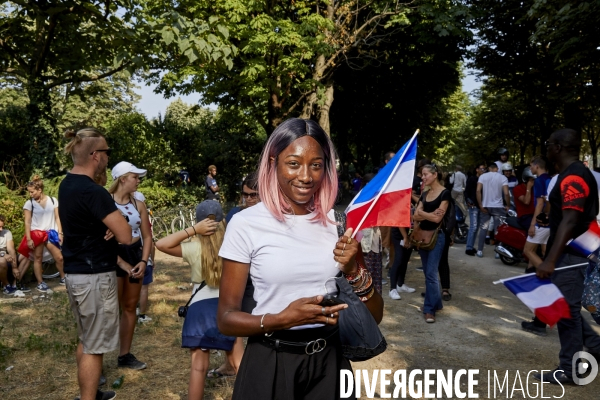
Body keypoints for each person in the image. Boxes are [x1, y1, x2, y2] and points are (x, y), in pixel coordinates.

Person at [217, 118, 383, 399]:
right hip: (270, 361)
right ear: (273, 162)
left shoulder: (339, 224)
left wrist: (354, 269)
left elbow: (375, 316)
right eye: (293, 163)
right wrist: (280, 319)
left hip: (330, 365)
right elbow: (226, 319)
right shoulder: (246, 224)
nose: (306, 176)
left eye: (316, 165)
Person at [59, 127, 133, 400]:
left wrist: (109, 225)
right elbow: (126, 236)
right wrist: (116, 225)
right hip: (94, 277)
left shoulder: (66, 184)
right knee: (94, 346)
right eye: (106, 152)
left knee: (87, 338)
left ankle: (89, 394)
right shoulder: (94, 192)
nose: (108, 157)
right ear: (94, 155)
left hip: (76, 273)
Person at [156, 201, 244, 399]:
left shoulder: (193, 247)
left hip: (199, 309)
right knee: (240, 364)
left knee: (198, 368)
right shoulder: (234, 245)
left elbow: (161, 244)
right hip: (226, 308)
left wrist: (192, 230)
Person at [534, 129, 600, 385]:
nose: (547, 148)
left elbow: (572, 220)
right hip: (575, 251)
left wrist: (550, 259)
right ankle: (593, 344)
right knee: (565, 307)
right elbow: (568, 215)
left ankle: (570, 370)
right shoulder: (574, 174)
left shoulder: (573, 176)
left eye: (549, 144)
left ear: (559, 147)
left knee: (565, 311)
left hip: (572, 254)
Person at [108, 161, 152, 370]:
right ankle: (97, 357)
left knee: (130, 306)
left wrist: (144, 261)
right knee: (111, 308)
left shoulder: (138, 204)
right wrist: (119, 261)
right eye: (135, 177)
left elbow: (147, 236)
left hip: (135, 255)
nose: (138, 181)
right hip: (112, 256)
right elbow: (100, 239)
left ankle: (124, 355)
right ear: (123, 178)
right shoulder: (105, 202)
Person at [413, 164, 450, 323]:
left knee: (431, 273)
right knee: (428, 273)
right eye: (422, 175)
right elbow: (415, 216)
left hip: (437, 236)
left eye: (425, 174)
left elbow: (437, 219)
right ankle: (437, 303)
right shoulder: (425, 193)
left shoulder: (445, 194)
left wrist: (423, 213)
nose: (423, 177)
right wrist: (425, 214)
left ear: (435, 175)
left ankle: (429, 310)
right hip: (422, 236)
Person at [17, 175, 65, 291]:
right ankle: (40, 282)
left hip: (50, 233)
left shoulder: (53, 200)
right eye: (29, 192)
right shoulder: (29, 204)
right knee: (37, 258)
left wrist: (60, 232)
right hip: (37, 234)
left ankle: (63, 277)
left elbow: (57, 217)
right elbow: (27, 222)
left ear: (40, 190)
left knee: (59, 257)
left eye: (32, 192)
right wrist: (28, 239)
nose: (30, 194)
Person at [475, 162, 510, 257]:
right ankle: (497, 252)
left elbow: (478, 190)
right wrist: (508, 205)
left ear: (489, 168)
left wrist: (480, 205)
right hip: (498, 206)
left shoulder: (482, 177)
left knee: (483, 228)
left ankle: (479, 251)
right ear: (497, 169)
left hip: (485, 205)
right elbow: (506, 193)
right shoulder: (503, 178)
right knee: (497, 229)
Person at [523, 156, 552, 269]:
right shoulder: (550, 179)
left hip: (540, 222)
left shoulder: (539, 181)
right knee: (545, 251)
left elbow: (540, 204)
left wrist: (532, 224)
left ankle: (547, 273)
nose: (530, 168)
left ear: (537, 166)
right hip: (550, 220)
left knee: (528, 250)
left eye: (531, 166)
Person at [388, 226, 416, 300]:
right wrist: (405, 237)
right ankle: (392, 289)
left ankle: (400, 284)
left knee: (405, 259)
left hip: (409, 232)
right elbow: (400, 222)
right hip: (399, 233)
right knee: (398, 259)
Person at [465, 164, 486, 256]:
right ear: (477, 169)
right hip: (473, 205)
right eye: (481, 168)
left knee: (476, 227)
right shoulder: (472, 179)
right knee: (473, 227)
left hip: (480, 205)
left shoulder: (484, 180)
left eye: (484, 169)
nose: (483, 170)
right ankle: (468, 248)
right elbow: (466, 191)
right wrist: (468, 201)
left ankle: (471, 246)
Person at [0, 214, 18, 294]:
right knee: (2, 261)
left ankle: (16, 283)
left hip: (6, 256)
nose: (1, 229)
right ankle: (6, 285)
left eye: (2, 226)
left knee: (26, 257)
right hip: (2, 258)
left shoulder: (7, 233)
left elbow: (11, 249)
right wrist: (3, 254)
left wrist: (14, 266)